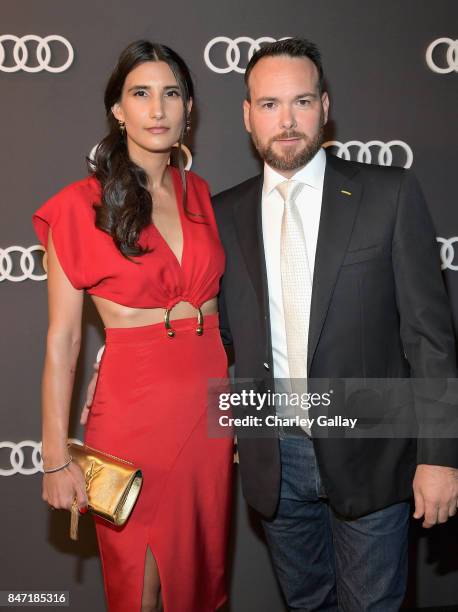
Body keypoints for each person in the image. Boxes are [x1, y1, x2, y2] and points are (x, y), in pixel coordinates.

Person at [211, 38, 458, 610]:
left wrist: (441, 454)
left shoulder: (387, 194)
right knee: (306, 604)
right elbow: (222, 335)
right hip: (276, 456)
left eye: (301, 101)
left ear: (325, 106)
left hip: (373, 446)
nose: (287, 120)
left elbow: (430, 337)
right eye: (270, 104)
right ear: (248, 116)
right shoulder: (223, 214)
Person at [33, 40, 233, 612]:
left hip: (209, 414)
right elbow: (64, 340)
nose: (158, 109)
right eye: (140, 94)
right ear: (117, 110)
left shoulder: (203, 196)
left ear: (189, 106)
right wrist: (54, 456)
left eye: (172, 93)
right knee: (139, 586)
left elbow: (228, 316)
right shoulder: (79, 206)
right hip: (133, 414)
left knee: (203, 578)